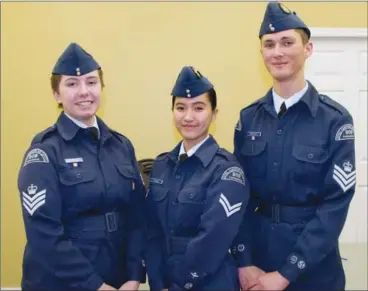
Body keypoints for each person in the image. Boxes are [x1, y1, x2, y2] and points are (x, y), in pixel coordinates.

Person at [231, 2, 356, 291]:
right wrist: (244, 260)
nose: (277, 52)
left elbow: (335, 205)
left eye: (287, 42)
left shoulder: (334, 121)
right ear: (261, 52)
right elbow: (238, 196)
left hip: (314, 266)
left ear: (308, 49)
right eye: (269, 44)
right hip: (258, 262)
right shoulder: (248, 119)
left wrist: (287, 273)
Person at [17, 42, 146, 291]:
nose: (84, 91)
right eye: (72, 84)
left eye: (91, 82)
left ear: (102, 87)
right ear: (56, 94)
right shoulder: (44, 151)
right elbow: (43, 232)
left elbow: (137, 217)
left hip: (116, 279)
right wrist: (94, 285)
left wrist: (134, 275)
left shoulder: (121, 146)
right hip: (61, 283)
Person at [144, 66, 250, 291]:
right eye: (180, 108)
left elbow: (212, 240)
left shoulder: (227, 171)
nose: (188, 117)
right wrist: (157, 282)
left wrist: (179, 286)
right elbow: (151, 231)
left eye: (199, 108)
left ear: (214, 114)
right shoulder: (162, 166)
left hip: (210, 283)